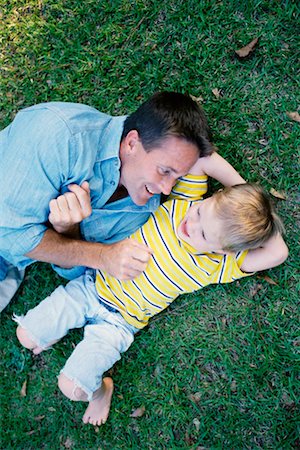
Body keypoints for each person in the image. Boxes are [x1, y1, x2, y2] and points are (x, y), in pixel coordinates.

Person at [15, 153, 288, 426]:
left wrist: (259, 221)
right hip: (90, 287)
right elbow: (203, 159)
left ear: (222, 250)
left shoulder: (217, 265)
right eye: (201, 211)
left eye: (204, 234)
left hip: (119, 324)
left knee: (72, 388)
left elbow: (278, 252)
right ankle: (56, 329)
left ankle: (102, 392)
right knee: (26, 335)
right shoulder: (183, 203)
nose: (190, 224)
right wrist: (239, 192)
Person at [0, 91, 214, 311]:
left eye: (177, 178)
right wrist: (101, 255)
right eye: (164, 171)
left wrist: (68, 230)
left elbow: (72, 271)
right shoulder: (59, 134)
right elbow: (7, 233)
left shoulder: (143, 211)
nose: (167, 188)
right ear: (131, 143)